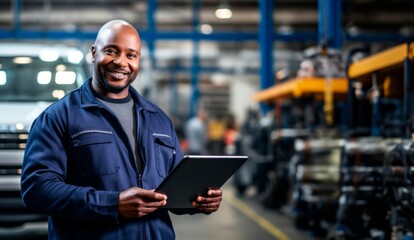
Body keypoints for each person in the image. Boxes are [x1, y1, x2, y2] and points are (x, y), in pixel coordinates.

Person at [20, 20, 222, 240]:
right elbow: (37, 189)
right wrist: (112, 204)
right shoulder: (59, 116)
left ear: (138, 60)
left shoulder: (159, 119)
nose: (120, 62)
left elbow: (172, 192)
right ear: (94, 53)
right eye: (111, 51)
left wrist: (199, 200)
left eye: (131, 55)